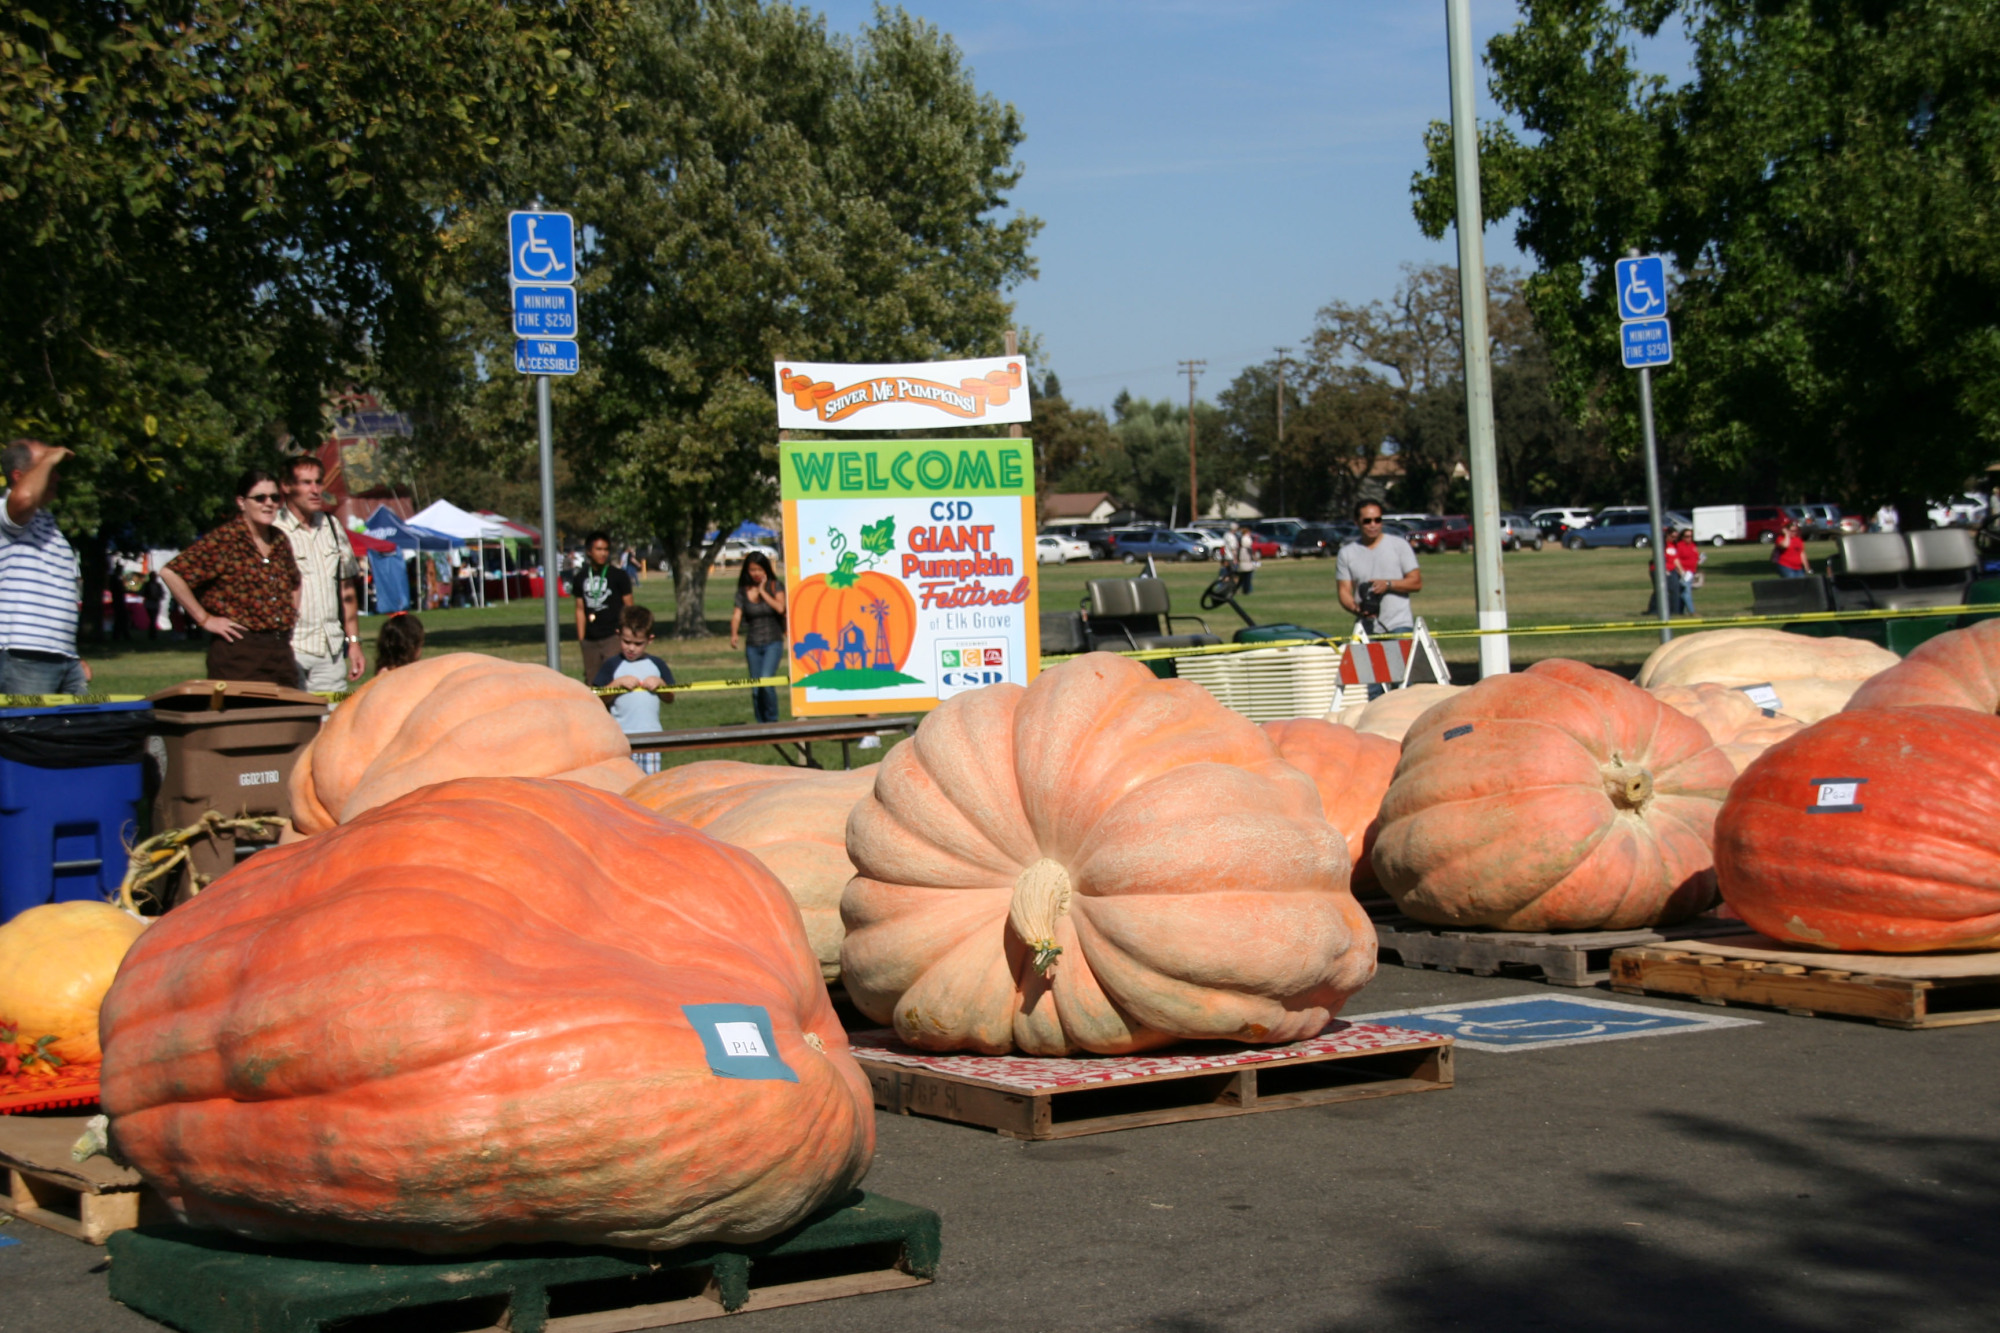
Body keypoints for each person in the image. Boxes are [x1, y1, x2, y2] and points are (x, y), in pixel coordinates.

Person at [159, 469, 302, 686]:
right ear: (241, 502)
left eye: (275, 498)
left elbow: (295, 581)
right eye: (260, 498)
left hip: (280, 649)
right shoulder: (225, 539)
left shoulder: (279, 540)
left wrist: (290, 614)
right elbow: (171, 573)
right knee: (245, 717)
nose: (269, 503)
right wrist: (204, 619)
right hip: (239, 652)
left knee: (285, 716)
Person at [0, 439, 92, 696]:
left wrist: (70, 653)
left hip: (59, 656)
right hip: (25, 655)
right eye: (49, 469)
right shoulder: (6, 512)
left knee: (76, 731)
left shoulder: (45, 522)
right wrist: (53, 455)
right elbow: (24, 497)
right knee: (28, 733)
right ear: (19, 476)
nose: (57, 477)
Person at [274, 455, 364, 692]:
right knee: (294, 723)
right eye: (306, 483)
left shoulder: (333, 528)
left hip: (330, 650)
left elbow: (347, 590)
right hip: (290, 648)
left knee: (334, 715)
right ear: (286, 486)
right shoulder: (273, 530)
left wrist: (353, 643)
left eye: (318, 482)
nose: (315, 490)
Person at [592, 604, 675, 774]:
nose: (631, 648)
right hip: (621, 738)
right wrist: (615, 687)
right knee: (623, 783)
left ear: (650, 640)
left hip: (651, 737)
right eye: (626, 642)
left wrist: (661, 686)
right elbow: (596, 699)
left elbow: (670, 697)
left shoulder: (657, 665)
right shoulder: (612, 665)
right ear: (618, 635)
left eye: (638, 644)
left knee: (648, 784)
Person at [1336, 501, 1423, 635]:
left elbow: (1416, 582)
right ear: (1356, 522)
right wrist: (1357, 609)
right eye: (1367, 521)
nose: (1373, 525)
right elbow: (1344, 591)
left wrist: (1388, 585)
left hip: (1399, 624)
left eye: (1377, 520)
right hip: (1366, 627)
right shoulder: (1346, 553)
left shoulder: (1399, 545)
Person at [729, 551, 788, 723]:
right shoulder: (742, 591)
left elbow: (780, 608)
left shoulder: (775, 586)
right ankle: (760, 724)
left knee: (766, 681)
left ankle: (772, 720)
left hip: (773, 642)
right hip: (752, 644)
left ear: (766, 569)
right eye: (752, 570)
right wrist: (734, 634)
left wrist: (762, 591)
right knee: (755, 687)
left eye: (759, 569)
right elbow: (737, 615)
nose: (756, 573)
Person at [570, 530, 633, 683]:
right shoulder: (581, 577)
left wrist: (627, 632)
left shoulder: (618, 575)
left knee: (614, 677)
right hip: (590, 638)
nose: (603, 553)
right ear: (589, 552)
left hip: (613, 635)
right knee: (593, 681)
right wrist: (581, 638)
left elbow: (629, 606)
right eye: (599, 549)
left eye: (606, 549)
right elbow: (579, 608)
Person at [1673, 527, 1701, 615]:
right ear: (1682, 537)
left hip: (1691, 572)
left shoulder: (1693, 545)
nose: (1689, 538)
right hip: (1684, 572)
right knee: (1686, 592)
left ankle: (1681, 611)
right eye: (1687, 536)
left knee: (1684, 591)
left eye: (1691, 536)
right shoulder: (1679, 546)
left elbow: (1695, 556)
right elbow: (1675, 559)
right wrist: (1680, 571)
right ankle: (1692, 611)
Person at [1231, 524, 1262, 594]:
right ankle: (1246, 591)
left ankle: (1236, 590)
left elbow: (1237, 557)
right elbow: (1252, 557)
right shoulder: (1248, 549)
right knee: (1247, 580)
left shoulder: (1240, 549)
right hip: (1248, 565)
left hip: (1241, 565)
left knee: (1241, 579)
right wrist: (1256, 560)